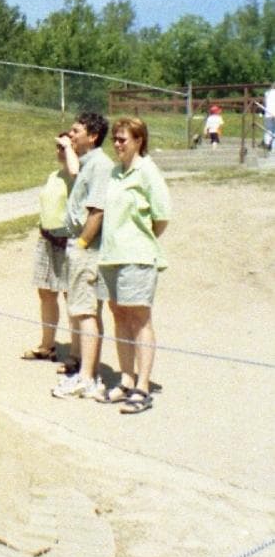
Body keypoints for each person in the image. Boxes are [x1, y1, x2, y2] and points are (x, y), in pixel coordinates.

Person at [96, 117, 171, 415]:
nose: (116, 144)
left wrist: (138, 238)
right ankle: (126, 378)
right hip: (111, 255)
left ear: (138, 141)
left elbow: (161, 216)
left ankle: (142, 385)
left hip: (137, 255)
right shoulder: (115, 173)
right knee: (119, 315)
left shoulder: (148, 171)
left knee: (140, 318)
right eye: (114, 139)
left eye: (122, 139)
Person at [50, 110, 112, 401]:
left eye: (76, 131)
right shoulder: (87, 164)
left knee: (86, 312)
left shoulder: (99, 166)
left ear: (93, 136)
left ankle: (87, 377)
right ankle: (84, 372)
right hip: (78, 244)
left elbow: (97, 210)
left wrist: (83, 244)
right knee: (80, 309)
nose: (71, 134)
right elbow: (73, 172)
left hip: (86, 247)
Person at [21, 133, 78, 364]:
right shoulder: (54, 175)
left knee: (70, 296)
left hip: (66, 242)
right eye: (58, 146)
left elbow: (76, 171)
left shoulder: (78, 174)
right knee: (45, 293)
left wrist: (70, 150)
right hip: (46, 241)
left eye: (65, 146)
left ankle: (77, 352)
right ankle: (47, 345)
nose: (60, 151)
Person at [259, 85, 275, 153]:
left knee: (268, 129)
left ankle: (267, 143)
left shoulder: (267, 93)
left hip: (268, 113)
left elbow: (264, 103)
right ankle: (273, 147)